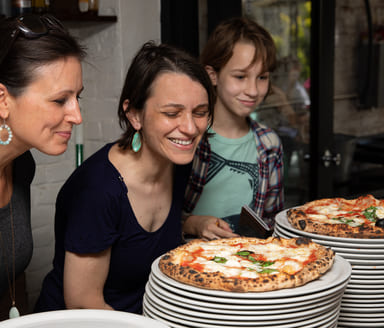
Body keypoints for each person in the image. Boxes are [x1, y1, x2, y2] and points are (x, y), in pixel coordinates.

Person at [34, 41, 214, 314]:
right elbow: (85, 306)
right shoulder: (98, 190)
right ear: (134, 115)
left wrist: (192, 223)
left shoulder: (178, 160)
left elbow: (133, 238)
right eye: (172, 113)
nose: (190, 128)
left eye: (200, 113)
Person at [0, 13, 85, 320]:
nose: (77, 116)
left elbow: (11, 277)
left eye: (77, 97)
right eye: (60, 100)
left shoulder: (21, 164)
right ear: (2, 100)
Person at [182, 17, 284, 240]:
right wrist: (193, 223)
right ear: (213, 75)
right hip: (188, 262)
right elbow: (156, 218)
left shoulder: (270, 144)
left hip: (248, 264)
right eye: (240, 76)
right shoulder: (187, 136)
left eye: (262, 77)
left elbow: (274, 221)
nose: (253, 90)